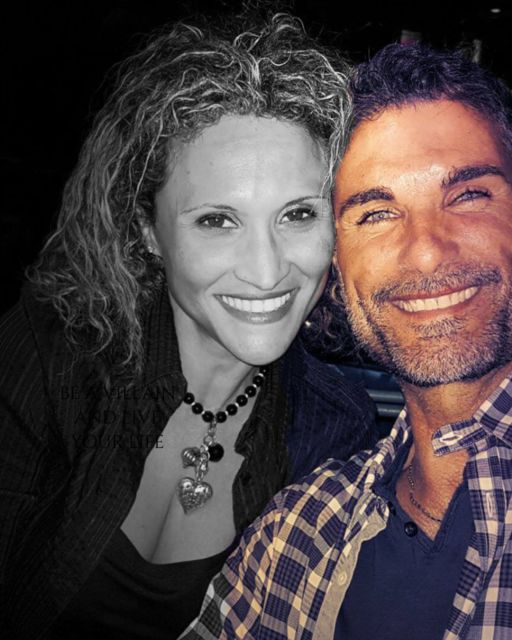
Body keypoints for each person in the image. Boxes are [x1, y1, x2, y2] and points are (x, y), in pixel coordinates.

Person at [182, 42, 512, 639]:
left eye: (468, 195)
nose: (426, 251)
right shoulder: (295, 535)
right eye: (376, 214)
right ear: (337, 269)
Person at [0, 14, 379, 640]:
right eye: (216, 221)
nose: (266, 271)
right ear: (149, 231)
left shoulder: (337, 429)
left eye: (298, 214)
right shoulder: (52, 357)